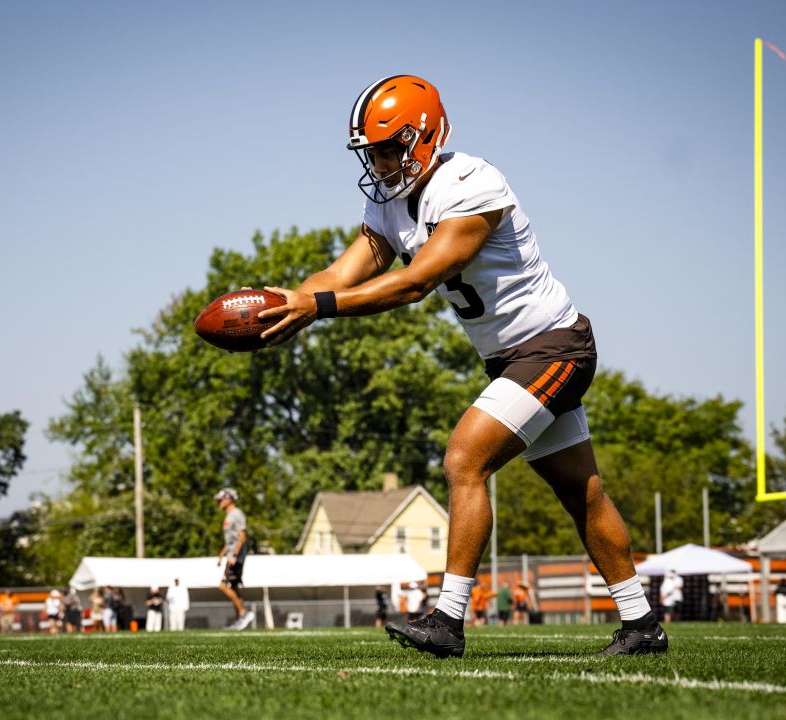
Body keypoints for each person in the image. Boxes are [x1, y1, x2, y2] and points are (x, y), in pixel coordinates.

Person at [258, 75, 667, 659]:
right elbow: (342, 273)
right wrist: (288, 306)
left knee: (463, 459)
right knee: (583, 493)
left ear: (425, 136)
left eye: (390, 147)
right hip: (511, 360)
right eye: (371, 151)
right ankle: (643, 625)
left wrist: (318, 308)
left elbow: (415, 282)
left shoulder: (472, 184)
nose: (380, 162)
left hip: (554, 346)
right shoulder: (388, 201)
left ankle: (448, 620)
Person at [215, 487, 254, 630]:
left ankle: (243, 613)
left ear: (229, 499)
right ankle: (240, 619)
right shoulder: (228, 516)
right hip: (231, 554)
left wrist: (235, 555)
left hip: (236, 556)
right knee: (235, 588)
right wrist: (221, 555)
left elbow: (242, 536)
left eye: (221, 499)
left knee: (223, 586)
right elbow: (230, 541)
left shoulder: (237, 514)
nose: (219, 502)